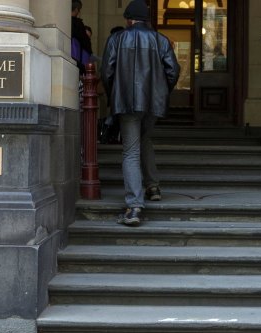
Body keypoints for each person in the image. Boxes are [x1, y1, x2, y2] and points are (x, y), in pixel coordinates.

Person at [101, 0, 180, 226]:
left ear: (128, 19)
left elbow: (107, 71)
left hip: (126, 103)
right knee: (145, 141)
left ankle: (134, 206)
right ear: (146, 19)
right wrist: (160, 93)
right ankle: (153, 186)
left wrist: (114, 95)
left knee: (131, 151)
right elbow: (173, 71)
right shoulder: (161, 40)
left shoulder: (117, 39)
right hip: (152, 104)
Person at [71, 0, 92, 74]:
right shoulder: (78, 24)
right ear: (76, 9)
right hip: (77, 60)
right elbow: (85, 43)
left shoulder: (65, 21)